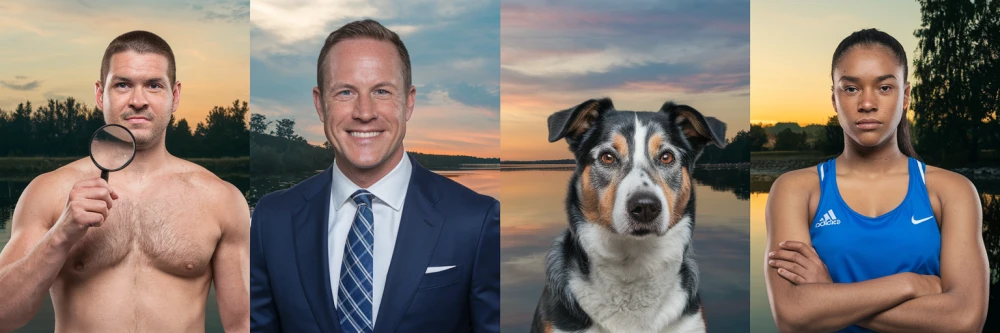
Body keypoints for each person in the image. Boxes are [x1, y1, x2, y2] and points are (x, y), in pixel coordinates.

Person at [249, 19, 500, 333]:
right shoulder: (272, 219)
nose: (364, 112)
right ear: (319, 104)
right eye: (345, 92)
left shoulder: (475, 219)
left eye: (381, 91)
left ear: (408, 102)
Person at [0, 31, 250, 333]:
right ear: (99, 94)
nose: (138, 101)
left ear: (176, 96)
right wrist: (61, 235)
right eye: (122, 85)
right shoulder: (49, 191)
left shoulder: (221, 198)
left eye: (154, 85)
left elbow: (243, 324)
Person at [764, 28, 988, 332]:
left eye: (884, 88)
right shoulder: (795, 191)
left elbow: (964, 320)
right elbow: (792, 315)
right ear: (834, 98)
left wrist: (829, 294)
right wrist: (910, 284)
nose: (867, 103)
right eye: (851, 88)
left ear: (906, 95)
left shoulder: (952, 191)